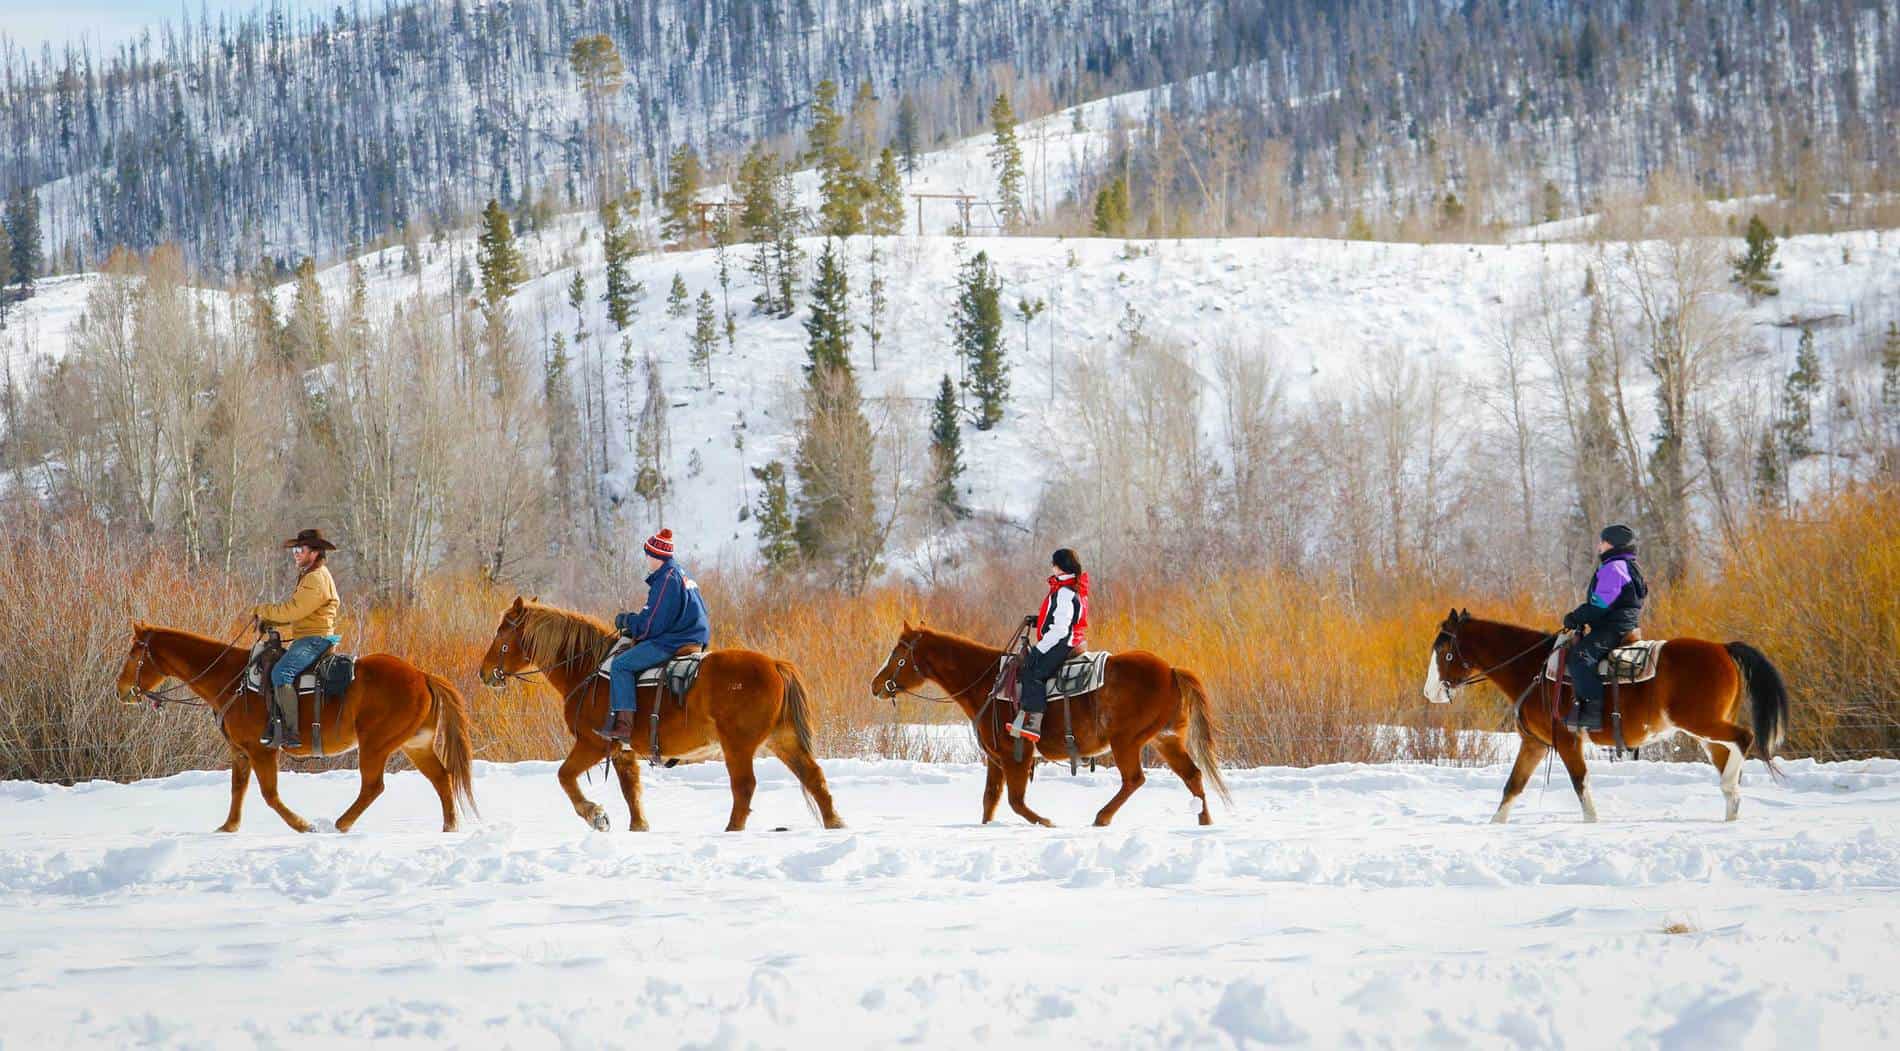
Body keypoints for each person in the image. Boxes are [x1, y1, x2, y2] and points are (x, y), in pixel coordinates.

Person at [599, 529, 712, 742]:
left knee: (620, 665)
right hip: (694, 636)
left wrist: (627, 621)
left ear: (656, 556)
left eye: (647, 554)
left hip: (674, 640)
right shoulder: (681, 573)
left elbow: (651, 624)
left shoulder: (666, 580)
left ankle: (624, 727)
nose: (646, 559)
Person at [252, 529, 342, 749]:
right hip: (309, 635)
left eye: (300, 549)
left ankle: (291, 732)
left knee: (281, 673)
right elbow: (301, 614)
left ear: (314, 552)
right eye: (295, 549)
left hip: (314, 639)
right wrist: (272, 623)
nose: (295, 554)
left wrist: (263, 611)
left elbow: (294, 610)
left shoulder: (315, 578)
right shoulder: (311, 575)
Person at [1561, 523, 1647, 732]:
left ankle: (1592, 712)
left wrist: (1575, 617)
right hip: (1620, 624)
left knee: (1579, 658)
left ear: (1612, 543)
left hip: (1613, 628)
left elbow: (1599, 605)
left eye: (1603, 541)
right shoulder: (1627, 565)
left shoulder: (1614, 567)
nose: (1599, 545)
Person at [1007, 549, 1090, 745]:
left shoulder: (1064, 592)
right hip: (1071, 638)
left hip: (1062, 642)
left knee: (1031, 670)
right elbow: (1065, 618)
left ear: (1060, 566)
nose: (1052, 568)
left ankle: (1033, 724)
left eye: (1054, 564)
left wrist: (1039, 649)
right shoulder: (1072, 587)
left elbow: (1060, 629)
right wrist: (1039, 621)